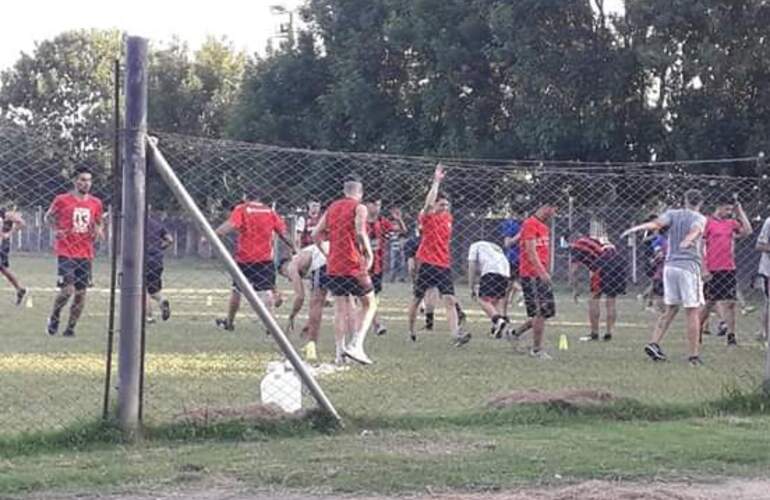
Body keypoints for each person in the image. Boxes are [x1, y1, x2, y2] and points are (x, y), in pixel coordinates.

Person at [621, 189, 707, 366]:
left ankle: (654, 343)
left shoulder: (672, 214)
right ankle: (693, 356)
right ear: (700, 203)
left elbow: (656, 224)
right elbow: (697, 230)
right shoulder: (700, 218)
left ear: (685, 200)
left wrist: (638, 228)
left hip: (670, 268)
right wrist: (689, 240)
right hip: (688, 268)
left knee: (671, 308)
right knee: (693, 311)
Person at [312, 174, 377, 365]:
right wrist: (369, 253)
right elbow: (359, 231)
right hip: (353, 264)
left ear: (344, 191)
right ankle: (356, 345)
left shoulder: (332, 207)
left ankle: (339, 353)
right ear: (360, 193)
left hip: (334, 265)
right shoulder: (360, 207)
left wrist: (327, 252)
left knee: (340, 309)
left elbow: (316, 233)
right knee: (370, 303)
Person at [406, 164, 470, 346]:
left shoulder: (448, 218)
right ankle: (410, 331)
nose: (445, 208)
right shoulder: (427, 217)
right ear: (435, 205)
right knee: (417, 299)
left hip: (443, 265)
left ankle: (456, 334)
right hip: (426, 263)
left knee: (449, 299)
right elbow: (427, 205)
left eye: (447, 205)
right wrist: (436, 182)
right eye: (441, 204)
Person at [214, 187, 294, 331]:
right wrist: (295, 247)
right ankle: (271, 326)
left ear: (246, 196)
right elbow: (283, 233)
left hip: (244, 258)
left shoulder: (242, 209)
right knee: (267, 291)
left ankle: (230, 322)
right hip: (264, 259)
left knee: (237, 290)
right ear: (260, 198)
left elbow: (231, 225)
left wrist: (214, 234)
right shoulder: (270, 212)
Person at [45, 167, 104, 337]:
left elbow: (99, 222)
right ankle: (55, 316)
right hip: (66, 251)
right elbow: (48, 217)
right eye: (83, 180)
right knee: (67, 290)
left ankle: (70, 328)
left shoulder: (96, 203)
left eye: (89, 180)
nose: (86, 183)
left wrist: (99, 230)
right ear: (75, 181)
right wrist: (56, 230)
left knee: (81, 293)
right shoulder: (62, 200)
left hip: (85, 253)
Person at [699, 195, 752, 346]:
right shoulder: (708, 222)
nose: (729, 212)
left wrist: (740, 210)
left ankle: (731, 335)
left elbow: (747, 231)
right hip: (712, 268)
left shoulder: (730, 223)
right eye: (727, 209)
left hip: (728, 267)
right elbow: (700, 247)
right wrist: (704, 268)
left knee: (730, 303)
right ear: (719, 207)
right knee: (709, 303)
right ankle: (698, 330)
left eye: (731, 209)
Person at [516, 202, 558, 359]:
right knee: (540, 311)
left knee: (544, 312)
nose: (554, 212)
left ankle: (515, 333)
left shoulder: (544, 227)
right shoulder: (530, 224)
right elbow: (531, 252)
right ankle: (536, 349)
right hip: (532, 275)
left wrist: (547, 271)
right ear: (545, 206)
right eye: (554, 208)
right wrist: (542, 272)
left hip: (541, 274)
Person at [278, 241, 329, 362]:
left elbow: (300, 296)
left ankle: (311, 346)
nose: (289, 279)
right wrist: (309, 322)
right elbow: (319, 300)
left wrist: (292, 316)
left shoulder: (291, 266)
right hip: (333, 256)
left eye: (284, 275)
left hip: (324, 260)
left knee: (316, 302)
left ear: (283, 268)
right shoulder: (306, 263)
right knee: (342, 301)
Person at [569, 236, 627, 342]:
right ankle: (609, 333)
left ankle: (594, 333)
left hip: (603, 263)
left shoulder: (576, 245)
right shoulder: (591, 240)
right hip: (618, 262)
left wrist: (575, 289)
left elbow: (574, 270)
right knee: (611, 301)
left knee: (594, 299)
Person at [366, 199, 406, 336]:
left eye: (379, 204)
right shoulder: (360, 221)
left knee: (373, 296)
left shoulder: (382, 222)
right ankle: (376, 324)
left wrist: (399, 219)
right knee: (366, 296)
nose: (377, 207)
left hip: (377, 265)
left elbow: (402, 231)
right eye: (374, 204)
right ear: (367, 205)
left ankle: (372, 320)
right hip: (362, 265)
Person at [467, 240, 510, 338]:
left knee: (481, 298)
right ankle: (496, 329)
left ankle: (498, 321)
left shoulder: (474, 246)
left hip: (491, 269)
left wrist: (471, 286)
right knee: (497, 300)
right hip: (505, 270)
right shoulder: (493, 246)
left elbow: (472, 265)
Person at [145, 209, 174, 324]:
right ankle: (162, 301)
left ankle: (148, 317)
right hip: (157, 260)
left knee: (142, 289)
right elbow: (170, 240)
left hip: (143, 259)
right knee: (154, 290)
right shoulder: (157, 224)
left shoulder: (136, 223)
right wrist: (160, 248)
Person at [0, 206, 27, 305]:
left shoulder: (6, 214)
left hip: (2, 244)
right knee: (3, 268)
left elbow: (22, 223)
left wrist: (9, 234)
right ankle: (19, 289)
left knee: (2, 268)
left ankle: (19, 289)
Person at [500, 210, 523, 317]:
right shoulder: (511, 224)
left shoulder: (527, 223)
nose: (522, 216)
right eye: (520, 214)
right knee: (508, 287)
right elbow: (507, 243)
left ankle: (518, 295)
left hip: (525, 259)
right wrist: (519, 236)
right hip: (513, 259)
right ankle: (503, 315)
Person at [755, 213, 770, 342]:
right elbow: (759, 245)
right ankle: (764, 332)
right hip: (768, 270)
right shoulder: (769, 222)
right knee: (768, 302)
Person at [387, 207, 408, 283]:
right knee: (393, 263)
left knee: (402, 263)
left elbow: (404, 230)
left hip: (401, 245)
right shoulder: (390, 221)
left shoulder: (401, 222)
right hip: (393, 245)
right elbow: (390, 231)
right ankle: (392, 278)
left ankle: (402, 278)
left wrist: (399, 219)